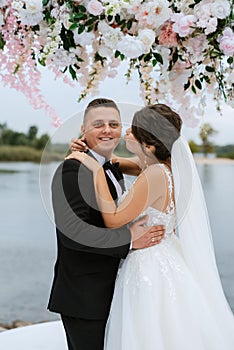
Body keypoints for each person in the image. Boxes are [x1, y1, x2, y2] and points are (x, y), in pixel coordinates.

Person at [67, 103, 234, 349]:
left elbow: (113, 219)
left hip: (148, 263)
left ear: (149, 146)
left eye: (133, 131)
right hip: (165, 255)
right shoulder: (162, 167)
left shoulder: (154, 175)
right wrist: (92, 152)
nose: (125, 132)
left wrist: (94, 171)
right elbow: (120, 162)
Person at [48, 98, 165, 350]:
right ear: (83, 130)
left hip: (117, 291)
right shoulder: (71, 171)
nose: (107, 130)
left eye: (113, 124)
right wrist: (130, 241)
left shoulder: (112, 168)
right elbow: (74, 233)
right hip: (85, 296)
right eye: (98, 124)